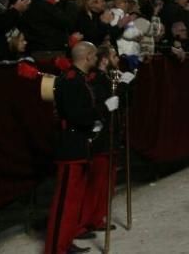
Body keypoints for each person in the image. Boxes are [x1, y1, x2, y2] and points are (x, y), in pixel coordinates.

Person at [44, 41, 101, 254]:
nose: (96, 60)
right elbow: (76, 115)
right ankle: (56, 248)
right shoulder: (71, 81)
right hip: (71, 144)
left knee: (74, 199)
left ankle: (65, 242)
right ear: (87, 57)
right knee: (65, 201)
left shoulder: (77, 79)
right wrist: (101, 112)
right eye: (94, 56)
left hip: (79, 143)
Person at [79, 45, 132, 237]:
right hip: (100, 136)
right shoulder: (95, 79)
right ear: (104, 59)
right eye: (113, 56)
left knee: (107, 181)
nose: (117, 59)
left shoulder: (109, 77)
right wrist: (123, 86)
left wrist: (127, 85)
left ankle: (97, 217)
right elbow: (108, 101)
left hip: (113, 132)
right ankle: (83, 222)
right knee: (96, 181)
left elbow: (120, 101)